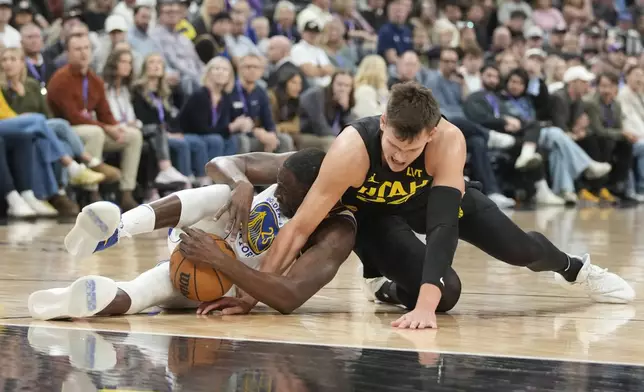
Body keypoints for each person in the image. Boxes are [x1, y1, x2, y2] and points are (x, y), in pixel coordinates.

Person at [211, 82, 634, 330]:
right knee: (447, 293)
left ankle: (575, 269)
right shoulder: (351, 149)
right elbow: (300, 227)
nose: (397, 158)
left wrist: (424, 308)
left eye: (409, 150)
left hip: (430, 206)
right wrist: (250, 293)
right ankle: (385, 284)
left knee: (520, 250)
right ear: (382, 124)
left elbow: (443, 227)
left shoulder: (449, 141)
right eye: (393, 146)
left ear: (431, 134)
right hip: (378, 217)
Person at [27, 149, 357, 320]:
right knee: (219, 193)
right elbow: (221, 162)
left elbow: (290, 297)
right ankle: (115, 230)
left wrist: (219, 261)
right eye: (279, 184)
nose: (278, 191)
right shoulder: (299, 166)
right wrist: (240, 182)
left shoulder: (337, 230)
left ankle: (76, 302)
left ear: (318, 194)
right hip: (204, 235)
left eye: (287, 191)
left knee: (142, 294)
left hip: (223, 280)